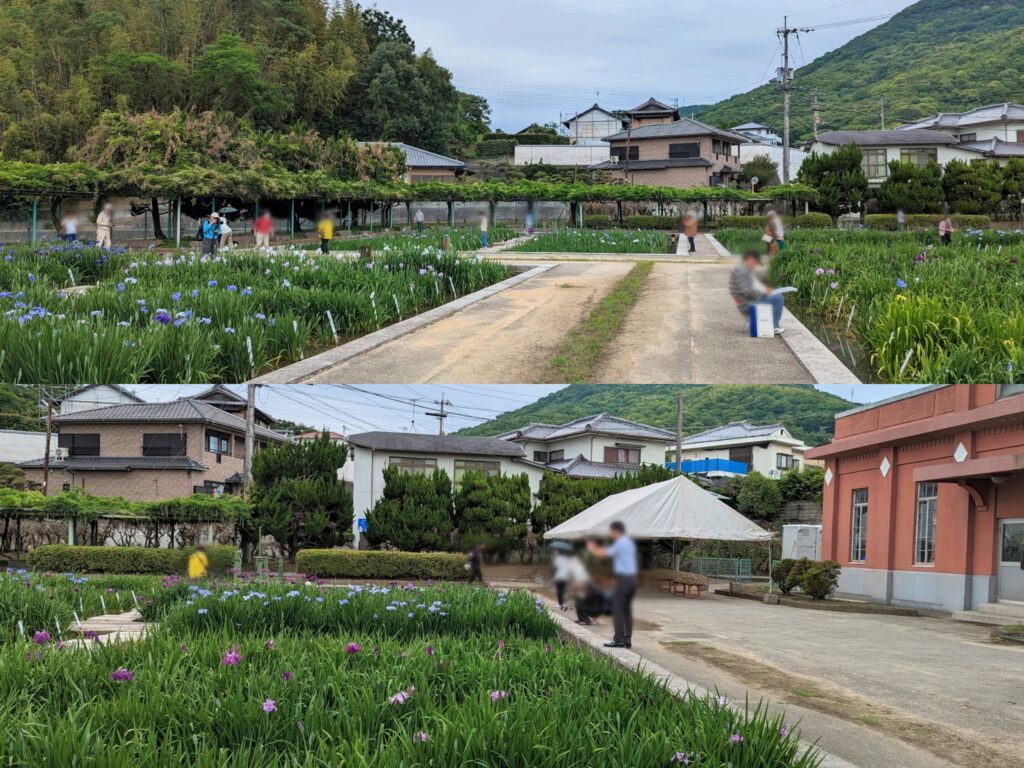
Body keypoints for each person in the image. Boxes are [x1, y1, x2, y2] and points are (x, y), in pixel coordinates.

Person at [587, 521, 637, 649]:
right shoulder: (628, 542)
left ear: (616, 531)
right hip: (631, 579)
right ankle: (627, 639)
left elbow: (603, 553)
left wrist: (592, 548)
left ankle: (619, 639)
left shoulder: (621, 543)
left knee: (618, 608)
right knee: (626, 610)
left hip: (624, 579)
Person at [730, 250, 786, 336]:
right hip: (748, 304)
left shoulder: (744, 270)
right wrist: (764, 293)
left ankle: (773, 324)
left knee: (776, 294)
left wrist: (765, 289)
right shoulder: (742, 272)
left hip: (747, 301)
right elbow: (747, 291)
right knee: (778, 298)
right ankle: (774, 327)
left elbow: (755, 286)